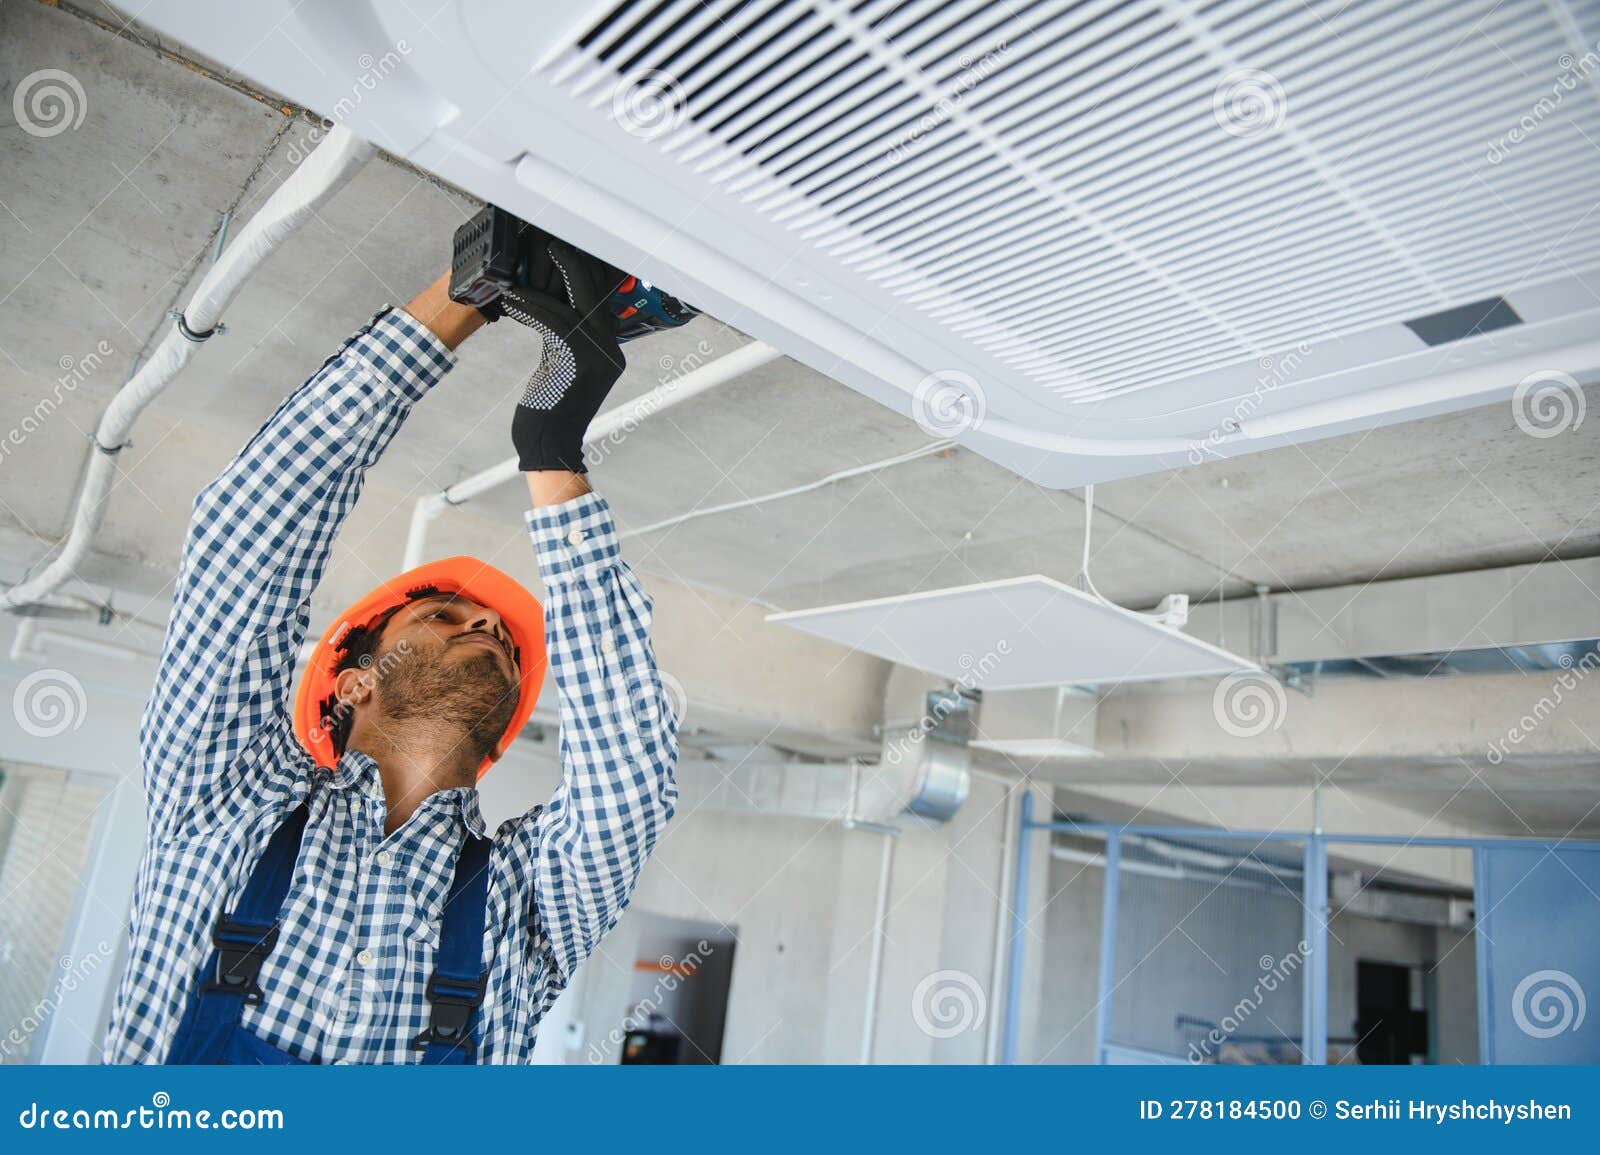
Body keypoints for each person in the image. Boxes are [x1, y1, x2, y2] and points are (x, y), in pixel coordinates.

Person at [102, 233, 679, 1064]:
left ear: (350, 681)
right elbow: (630, 778)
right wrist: (554, 458)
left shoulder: (222, 796)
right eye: (453, 618)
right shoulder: (524, 905)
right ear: (350, 689)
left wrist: (474, 284)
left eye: (450, 618)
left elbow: (246, 534)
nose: (485, 625)